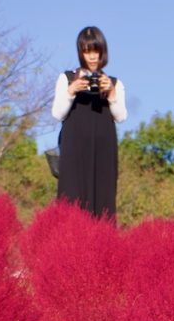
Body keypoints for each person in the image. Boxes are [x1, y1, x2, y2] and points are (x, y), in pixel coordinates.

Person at [51, 26, 127, 219]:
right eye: (87, 51)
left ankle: (102, 244)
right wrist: (71, 91)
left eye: (96, 51)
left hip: (104, 151)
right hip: (74, 150)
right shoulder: (66, 78)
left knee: (103, 203)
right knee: (71, 199)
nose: (92, 57)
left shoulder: (114, 83)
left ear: (103, 52)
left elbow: (121, 116)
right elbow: (58, 114)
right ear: (80, 53)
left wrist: (111, 93)